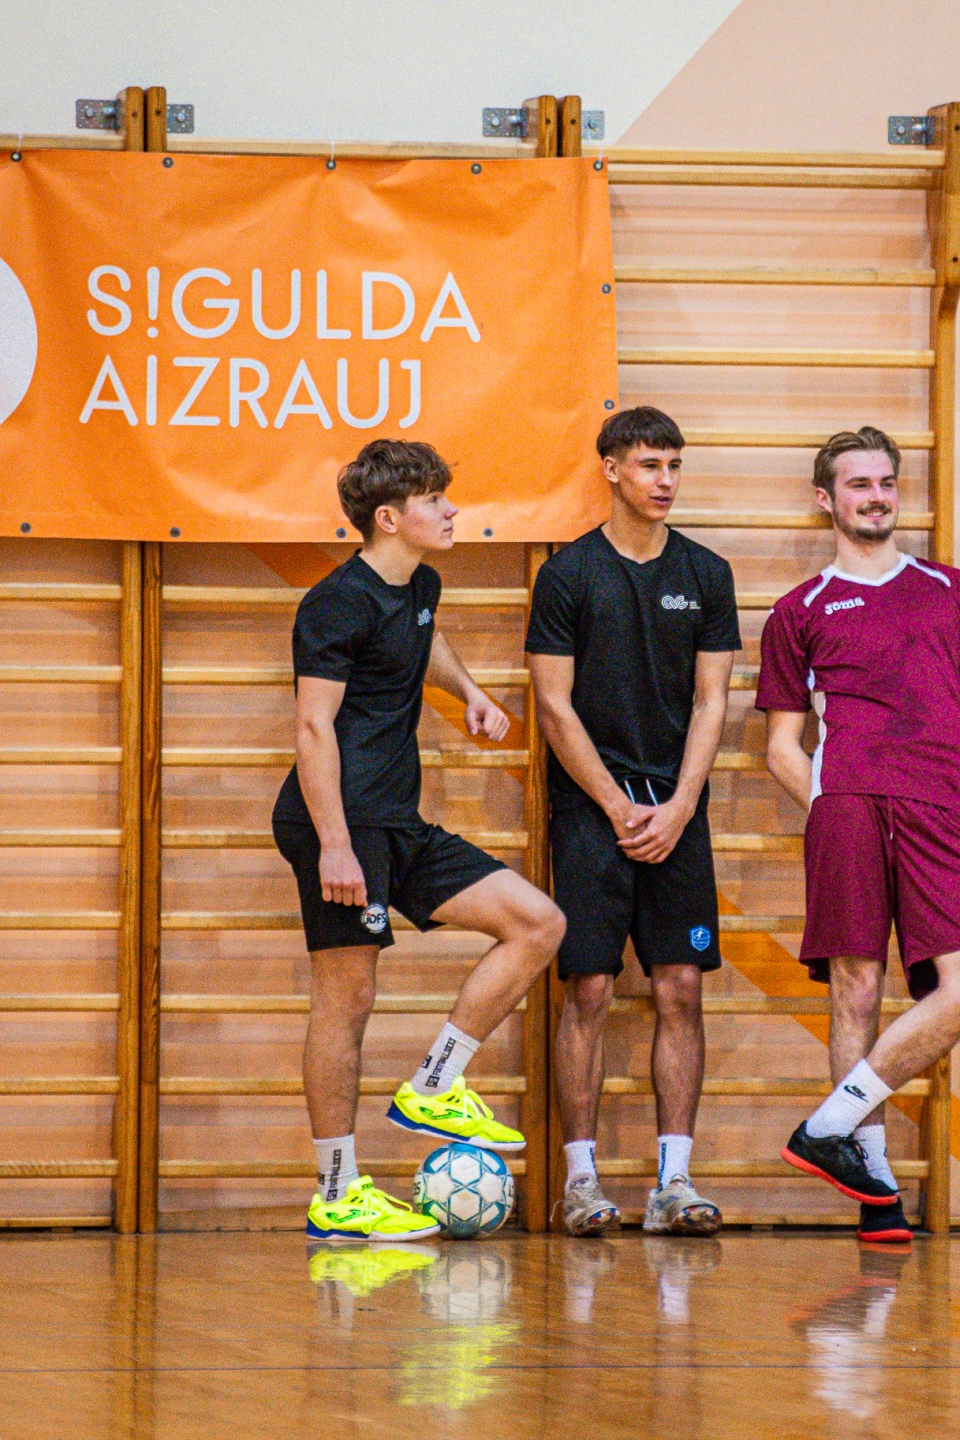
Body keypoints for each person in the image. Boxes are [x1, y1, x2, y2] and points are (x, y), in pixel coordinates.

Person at [274, 438, 567, 1241]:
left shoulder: (421, 584)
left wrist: (468, 689)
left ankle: (435, 1085)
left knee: (537, 922)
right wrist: (334, 844)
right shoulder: (334, 604)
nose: (450, 509)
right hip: (339, 821)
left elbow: (425, 638)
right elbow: (312, 727)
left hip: (396, 819)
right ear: (389, 517)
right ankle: (337, 1192)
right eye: (435, 500)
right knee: (347, 1000)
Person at [757, 426, 960, 1242]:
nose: (876, 497)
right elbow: (781, 745)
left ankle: (827, 1125)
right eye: (858, 484)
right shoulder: (799, 610)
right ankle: (876, 1197)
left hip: (933, 808)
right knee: (856, 989)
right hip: (846, 807)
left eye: (885, 483)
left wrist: (943, 788)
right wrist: (830, 800)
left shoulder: (953, 590)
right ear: (826, 499)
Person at [528, 406, 740, 1238]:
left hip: (677, 812)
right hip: (593, 815)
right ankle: (581, 1183)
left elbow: (712, 700)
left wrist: (679, 806)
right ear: (612, 470)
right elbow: (553, 705)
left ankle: (673, 1183)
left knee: (680, 986)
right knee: (588, 987)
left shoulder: (707, 573)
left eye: (675, 465)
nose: (666, 480)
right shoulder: (568, 574)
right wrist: (618, 806)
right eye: (651, 464)